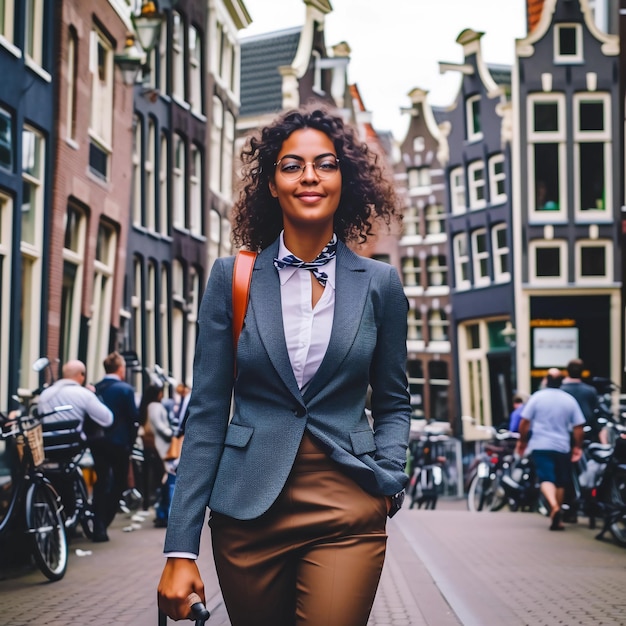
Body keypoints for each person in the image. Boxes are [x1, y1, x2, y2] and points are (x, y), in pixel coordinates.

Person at [157, 105, 411, 625]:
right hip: (247, 509)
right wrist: (179, 550)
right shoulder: (232, 279)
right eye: (292, 166)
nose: (309, 177)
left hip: (347, 503)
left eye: (326, 164)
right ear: (272, 184)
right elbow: (206, 414)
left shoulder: (380, 285)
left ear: (346, 180)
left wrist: (386, 482)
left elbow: (393, 401)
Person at [515, 367, 585, 531]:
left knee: (546, 478)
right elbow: (578, 426)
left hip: (541, 445)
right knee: (561, 481)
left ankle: (553, 507)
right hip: (562, 446)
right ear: (561, 381)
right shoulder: (569, 400)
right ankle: (557, 514)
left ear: (546, 380)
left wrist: (522, 441)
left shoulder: (537, 398)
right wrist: (577, 447)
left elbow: (524, 422)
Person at [92, 352, 140, 542]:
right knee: (119, 483)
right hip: (119, 443)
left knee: (101, 481)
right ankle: (103, 522)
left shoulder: (95, 388)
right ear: (121, 369)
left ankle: (98, 523)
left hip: (97, 442)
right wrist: (131, 442)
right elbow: (133, 418)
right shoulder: (125, 390)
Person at [37, 359, 113, 439]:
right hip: (73, 448)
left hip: (48, 447)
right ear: (81, 375)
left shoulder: (45, 394)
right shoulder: (85, 394)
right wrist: (95, 395)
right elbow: (108, 419)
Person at [138, 383, 173, 527]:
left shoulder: (146, 406)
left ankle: (160, 512)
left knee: (158, 480)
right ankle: (162, 514)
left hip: (151, 446)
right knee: (164, 480)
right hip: (161, 446)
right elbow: (160, 426)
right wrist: (171, 433)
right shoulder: (156, 407)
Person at [561, 358, 606, 444]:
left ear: (567, 371)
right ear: (582, 371)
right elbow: (596, 410)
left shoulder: (561, 390)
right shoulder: (590, 390)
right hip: (587, 431)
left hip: (566, 431)